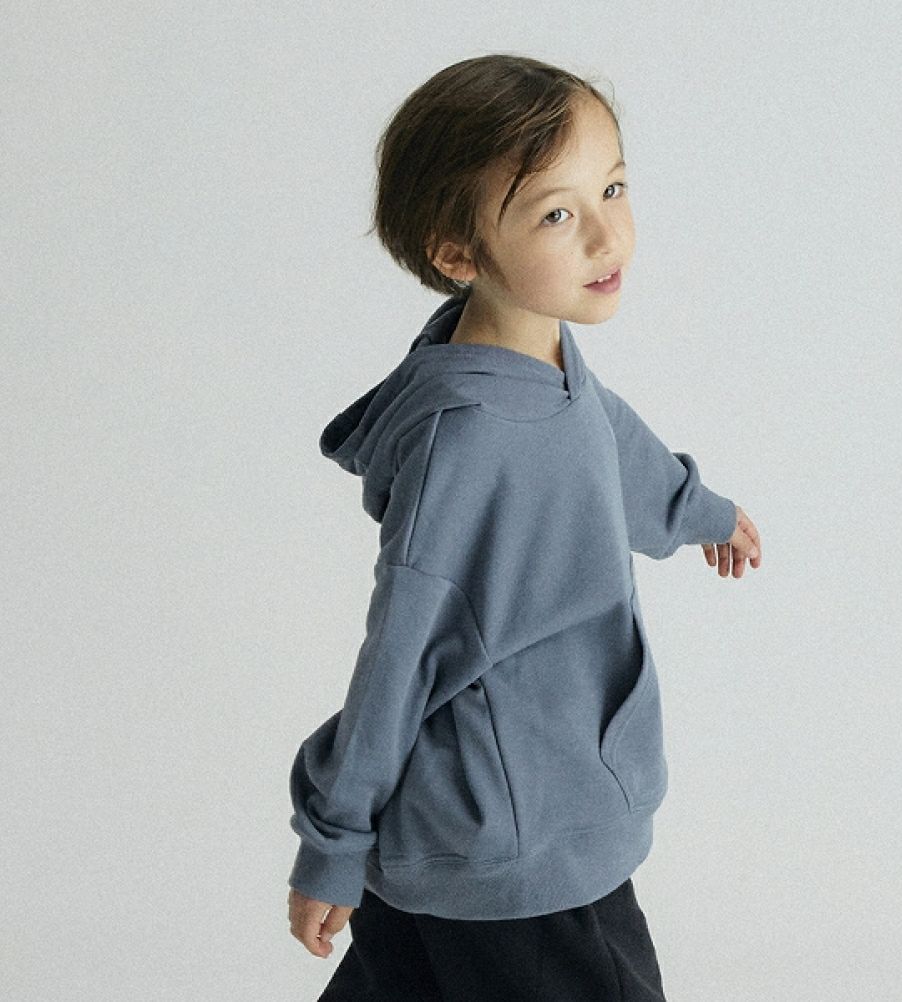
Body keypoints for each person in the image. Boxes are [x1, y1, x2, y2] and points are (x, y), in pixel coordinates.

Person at [286, 53, 762, 1001]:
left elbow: (609, 442)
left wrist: (697, 511)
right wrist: (332, 844)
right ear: (459, 257)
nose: (607, 234)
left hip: (483, 822)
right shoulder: (469, 444)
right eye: (556, 215)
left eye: (612, 188)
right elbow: (399, 657)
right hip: (517, 847)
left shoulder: (541, 354)